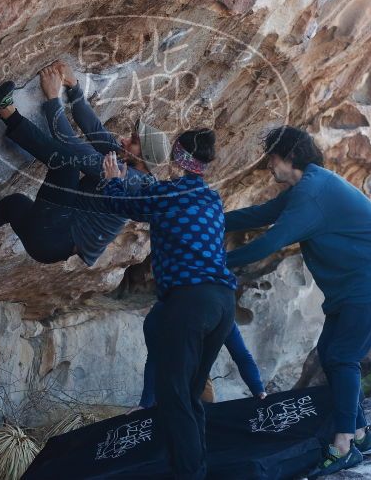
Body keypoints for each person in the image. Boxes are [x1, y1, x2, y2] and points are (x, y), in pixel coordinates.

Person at [223, 126, 371, 478]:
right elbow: (261, 214)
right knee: (331, 354)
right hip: (358, 281)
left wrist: (214, 262)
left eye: (273, 158)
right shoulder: (307, 185)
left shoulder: (311, 192)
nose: (269, 166)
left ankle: (343, 445)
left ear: (289, 156)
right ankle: (359, 432)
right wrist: (208, 218)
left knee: (342, 357)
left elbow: (270, 240)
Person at [0, 61, 169, 266]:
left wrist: (53, 97)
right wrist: (73, 88)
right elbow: (95, 131)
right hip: (48, 244)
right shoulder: (137, 168)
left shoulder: (124, 177)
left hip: (54, 237)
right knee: (14, 205)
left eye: (134, 141)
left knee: (67, 166)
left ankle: (4, 108)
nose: (124, 139)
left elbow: (72, 145)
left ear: (142, 158)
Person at [101, 129, 236, 480]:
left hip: (190, 302)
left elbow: (123, 204)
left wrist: (114, 180)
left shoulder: (168, 194)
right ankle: (196, 469)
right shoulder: (210, 196)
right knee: (190, 394)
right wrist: (140, 168)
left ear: (177, 157)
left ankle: (188, 474)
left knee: (174, 395)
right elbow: (157, 194)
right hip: (222, 303)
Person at [132, 300, 266, 413]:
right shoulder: (159, 315)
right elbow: (154, 360)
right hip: (168, 370)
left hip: (199, 372)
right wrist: (145, 404)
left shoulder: (224, 316)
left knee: (208, 420)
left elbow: (242, 356)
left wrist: (259, 391)